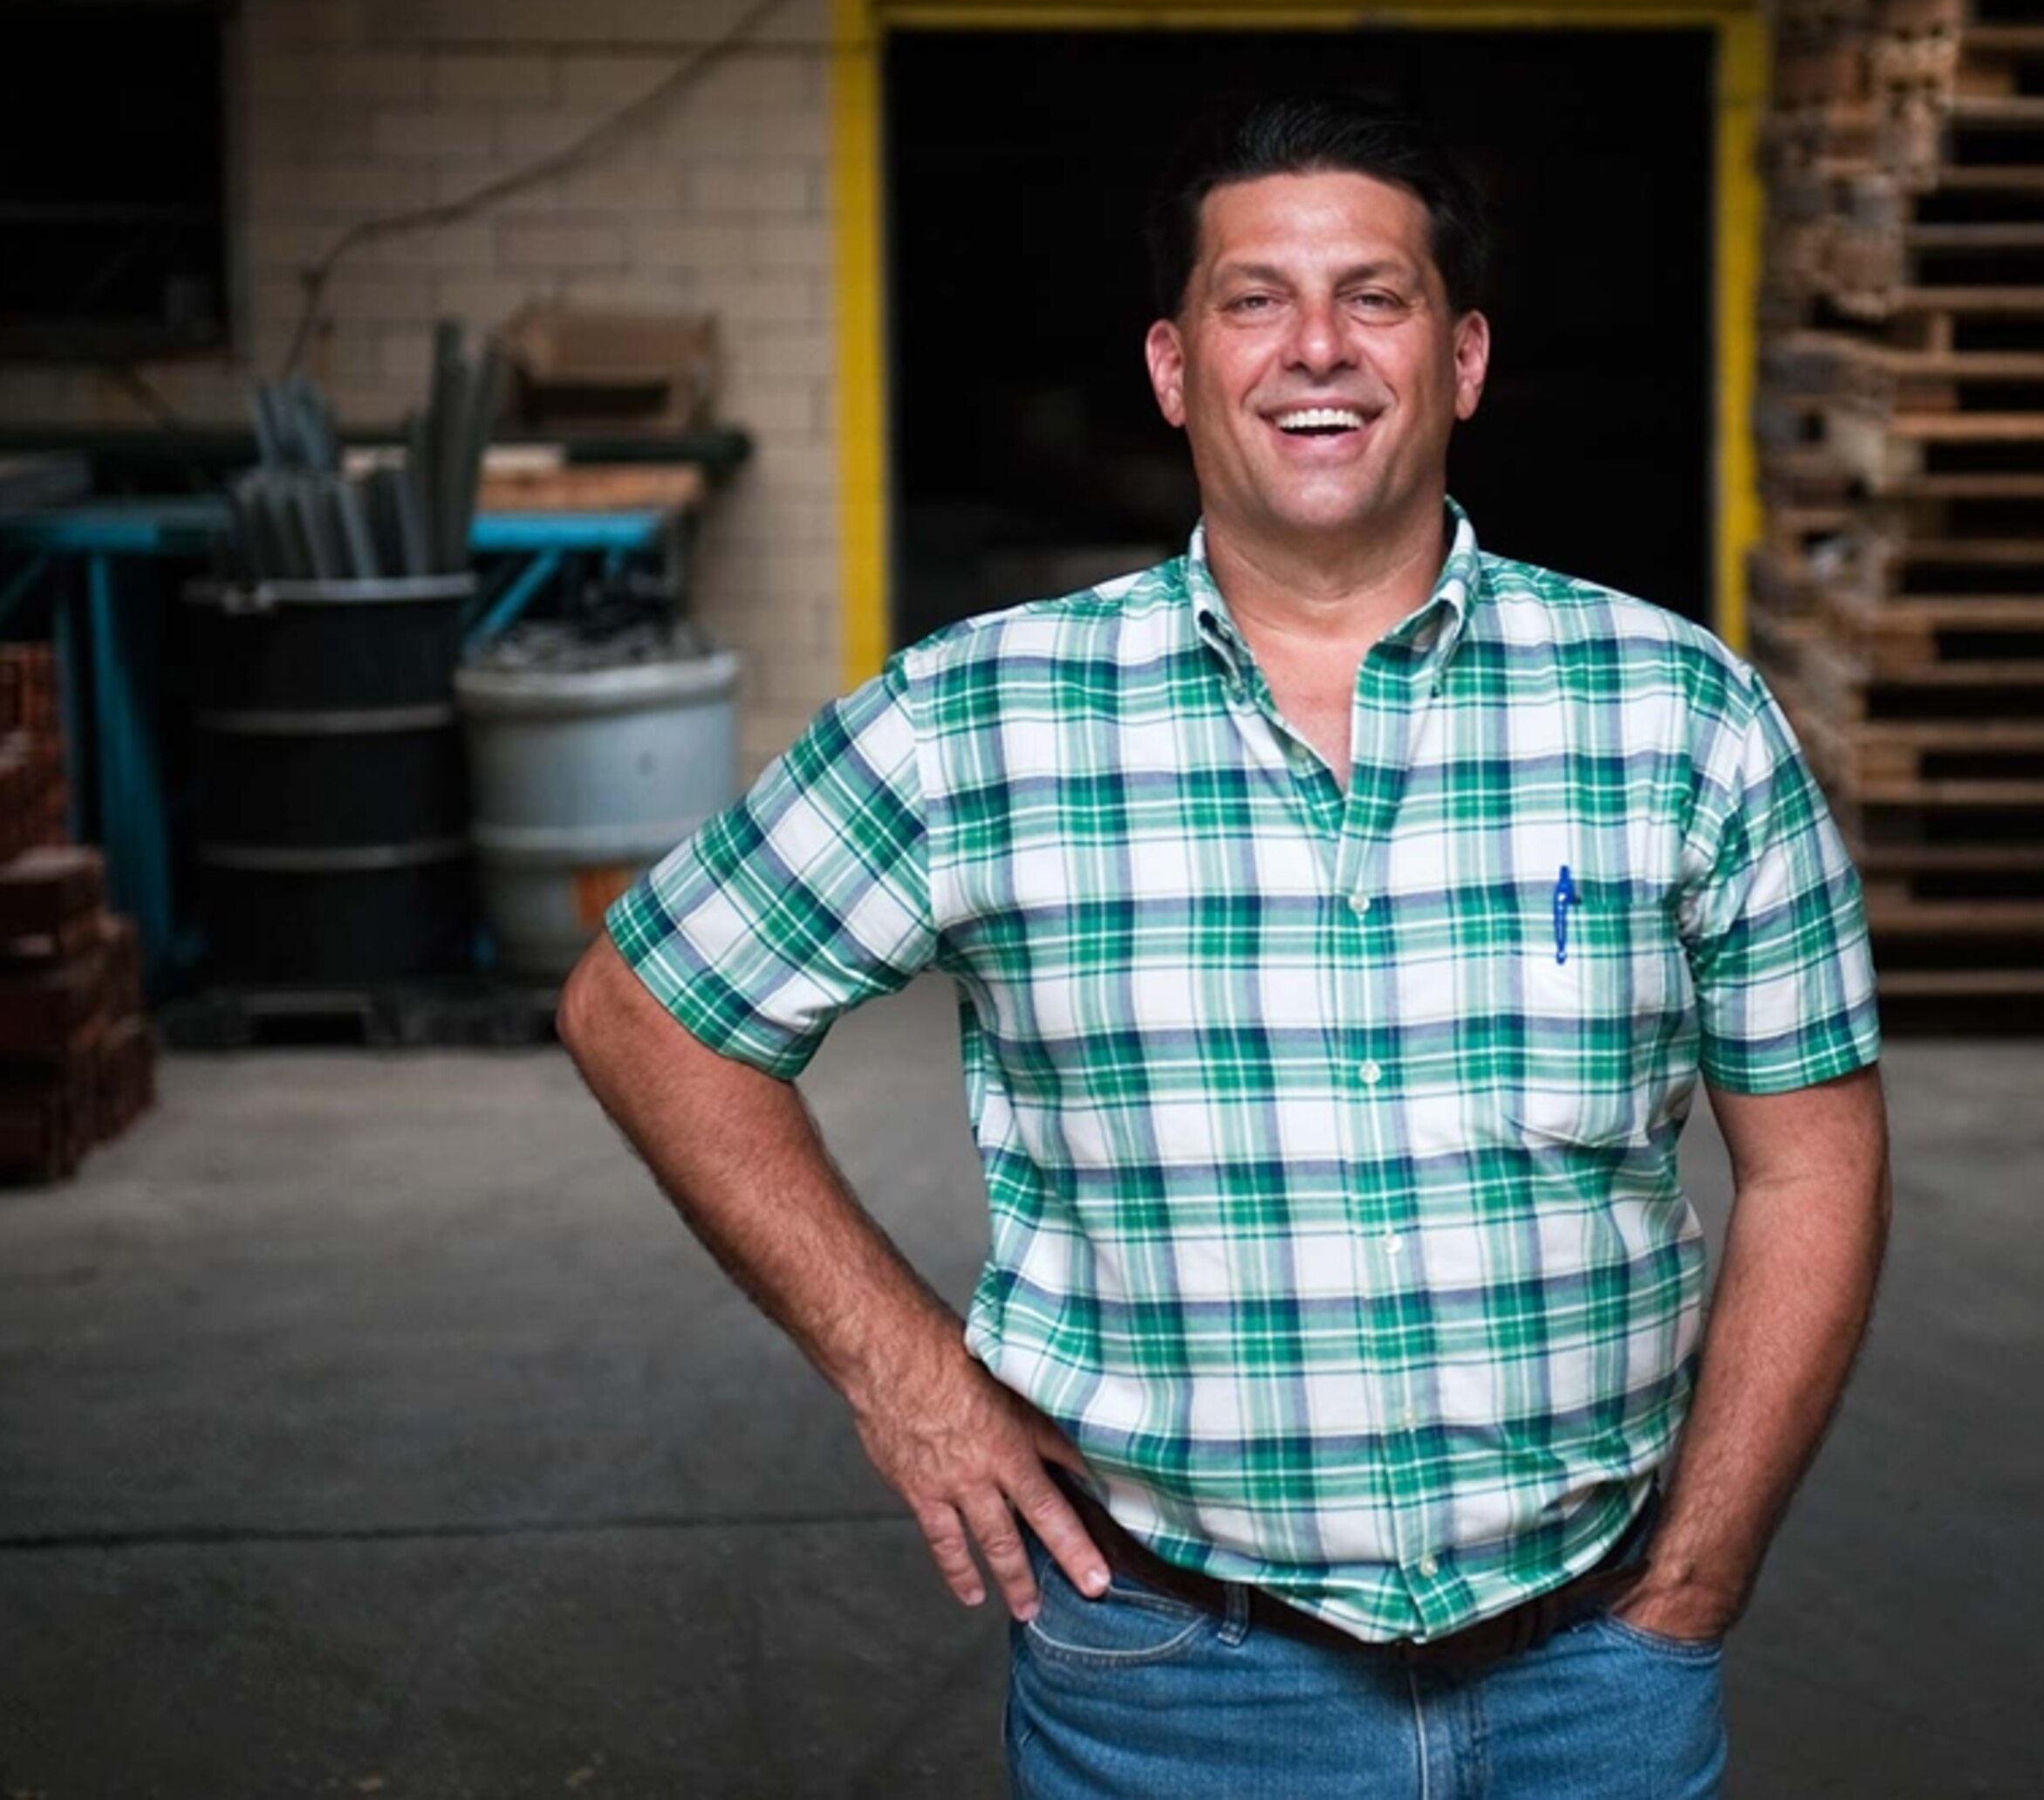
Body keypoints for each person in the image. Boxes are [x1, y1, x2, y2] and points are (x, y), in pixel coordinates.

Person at [559, 92, 1888, 1798]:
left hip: (1594, 1681)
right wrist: (910, 1384)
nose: (1316, 347)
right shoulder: (988, 717)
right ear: (1176, 366)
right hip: (1170, 1688)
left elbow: (1815, 1165)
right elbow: (643, 1007)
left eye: (1377, 296)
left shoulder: (1678, 713)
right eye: (1255, 299)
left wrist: (1695, 1580)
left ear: (1464, 358)